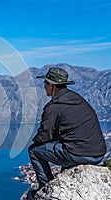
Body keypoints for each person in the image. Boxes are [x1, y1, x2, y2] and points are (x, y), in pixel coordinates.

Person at [27, 67, 106, 199]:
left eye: (45, 83)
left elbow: (44, 136)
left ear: (52, 85)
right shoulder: (77, 99)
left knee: (34, 151)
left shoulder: (54, 106)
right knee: (65, 145)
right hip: (98, 154)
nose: (44, 86)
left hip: (79, 154)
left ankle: (45, 187)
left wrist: (36, 140)